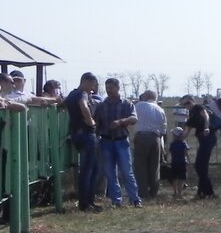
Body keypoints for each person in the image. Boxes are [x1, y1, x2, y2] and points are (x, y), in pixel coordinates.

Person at [92, 77, 142, 207]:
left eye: (111, 88)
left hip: (121, 141)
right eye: (107, 88)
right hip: (106, 142)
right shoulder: (102, 105)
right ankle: (116, 200)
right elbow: (96, 123)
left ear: (118, 88)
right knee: (110, 173)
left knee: (127, 171)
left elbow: (134, 118)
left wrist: (121, 122)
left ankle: (135, 199)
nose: (109, 91)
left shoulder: (126, 104)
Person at [64, 73, 103, 212]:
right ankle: (86, 203)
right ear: (86, 81)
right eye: (92, 84)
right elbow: (83, 106)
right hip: (87, 134)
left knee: (90, 169)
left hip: (76, 134)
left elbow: (63, 104)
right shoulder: (82, 94)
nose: (93, 88)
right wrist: (90, 120)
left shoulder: (71, 94)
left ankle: (87, 202)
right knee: (90, 170)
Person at [132, 90, 168, 199]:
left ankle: (143, 192)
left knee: (140, 166)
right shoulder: (160, 110)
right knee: (154, 166)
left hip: (142, 136)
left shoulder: (139, 105)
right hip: (156, 138)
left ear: (146, 96)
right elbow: (163, 129)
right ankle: (154, 192)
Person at [181, 95, 217, 198]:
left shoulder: (198, 107)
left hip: (208, 138)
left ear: (192, 101)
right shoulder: (191, 113)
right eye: (184, 104)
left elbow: (206, 115)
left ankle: (208, 192)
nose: (186, 106)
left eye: (187, 103)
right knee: (201, 166)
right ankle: (203, 192)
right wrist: (178, 139)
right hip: (203, 140)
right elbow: (187, 130)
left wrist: (206, 127)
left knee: (200, 166)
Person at [168, 126, 189, 198]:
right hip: (182, 163)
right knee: (181, 179)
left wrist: (167, 160)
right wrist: (188, 161)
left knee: (174, 178)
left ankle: (175, 192)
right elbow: (186, 153)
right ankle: (180, 193)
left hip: (174, 163)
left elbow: (169, 153)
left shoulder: (172, 144)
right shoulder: (184, 143)